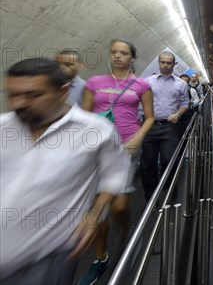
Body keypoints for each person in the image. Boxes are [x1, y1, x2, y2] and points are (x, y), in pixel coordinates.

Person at [0, 58, 129, 284]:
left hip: (48, 254)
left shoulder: (96, 130)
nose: (20, 103)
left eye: (33, 95)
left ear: (63, 92)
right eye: (13, 95)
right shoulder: (3, 127)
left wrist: (93, 215)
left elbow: (115, 174)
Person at [79, 39, 154, 285]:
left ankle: (126, 232)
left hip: (126, 148)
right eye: (114, 52)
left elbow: (150, 117)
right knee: (98, 208)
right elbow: (85, 117)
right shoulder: (94, 83)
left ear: (132, 57)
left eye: (123, 53)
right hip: (98, 149)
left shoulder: (141, 85)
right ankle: (101, 258)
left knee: (120, 206)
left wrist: (138, 137)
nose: (118, 56)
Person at [141, 51, 189, 201]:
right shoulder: (148, 82)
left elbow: (185, 103)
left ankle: (169, 192)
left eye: (169, 63)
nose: (166, 65)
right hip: (150, 125)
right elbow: (140, 102)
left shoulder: (181, 84)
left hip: (169, 127)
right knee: (148, 164)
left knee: (169, 161)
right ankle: (151, 197)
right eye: (163, 62)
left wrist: (178, 114)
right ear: (159, 63)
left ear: (174, 65)